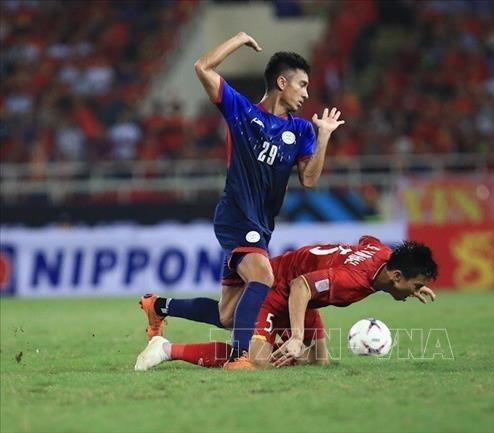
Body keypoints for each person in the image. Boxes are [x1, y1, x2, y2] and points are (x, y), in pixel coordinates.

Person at [139, 32, 345, 361]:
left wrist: (323, 138)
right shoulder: (242, 112)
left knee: (228, 316)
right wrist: (238, 40)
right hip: (235, 216)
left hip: (261, 226)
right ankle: (240, 358)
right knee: (263, 275)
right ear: (282, 82)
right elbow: (202, 67)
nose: (306, 93)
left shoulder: (303, 130)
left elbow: (308, 179)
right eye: (302, 84)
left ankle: (158, 306)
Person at [134, 236, 439, 371]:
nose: (417, 290)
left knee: (318, 361)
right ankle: (166, 349)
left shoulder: (382, 254)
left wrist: (409, 288)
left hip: (304, 296)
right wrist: (294, 338)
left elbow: (367, 240)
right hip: (279, 289)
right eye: (417, 285)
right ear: (397, 276)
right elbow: (300, 286)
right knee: (253, 361)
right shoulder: (351, 280)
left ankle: (159, 305)